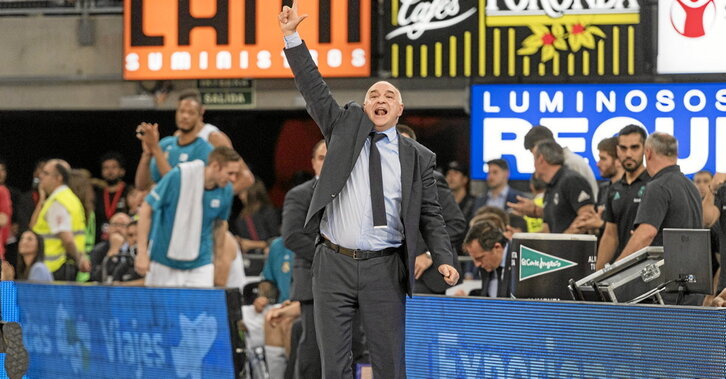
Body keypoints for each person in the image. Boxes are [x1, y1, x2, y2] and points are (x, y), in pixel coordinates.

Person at [279, 3, 459, 377]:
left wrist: (444, 256)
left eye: (388, 96)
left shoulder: (418, 157)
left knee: (390, 363)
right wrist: (292, 38)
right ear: (364, 107)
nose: (380, 99)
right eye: (373, 95)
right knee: (335, 365)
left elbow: (431, 215)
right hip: (333, 263)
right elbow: (313, 88)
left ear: (400, 110)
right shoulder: (343, 129)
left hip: (384, 266)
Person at [135, 147, 241, 287]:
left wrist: (219, 261)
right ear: (215, 166)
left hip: (200, 263)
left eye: (236, 174)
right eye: (230, 173)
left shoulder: (226, 190)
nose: (233, 179)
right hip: (163, 261)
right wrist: (142, 252)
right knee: (160, 309)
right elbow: (147, 208)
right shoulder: (179, 176)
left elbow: (220, 224)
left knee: (201, 308)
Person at [281, 139, 326, 379]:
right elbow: (291, 236)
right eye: (321, 158)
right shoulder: (299, 195)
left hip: (351, 281)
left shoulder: (355, 192)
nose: (327, 163)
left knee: (353, 346)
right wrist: (328, 260)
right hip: (313, 279)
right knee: (312, 347)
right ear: (312, 163)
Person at [618, 132, 702, 258]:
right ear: (676, 155)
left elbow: (646, 234)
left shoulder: (658, 186)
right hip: (692, 271)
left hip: (666, 273)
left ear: (649, 153)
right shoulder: (692, 187)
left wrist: (615, 271)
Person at [595, 125, 650, 269]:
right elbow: (610, 235)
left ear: (645, 149)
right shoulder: (614, 188)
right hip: (620, 270)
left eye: (634, 147)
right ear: (618, 150)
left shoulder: (654, 184)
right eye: (623, 148)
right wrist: (596, 275)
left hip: (649, 269)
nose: (629, 154)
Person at [30, 159, 90, 281]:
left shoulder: (59, 202)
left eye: (45, 173)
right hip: (55, 267)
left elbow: (67, 239)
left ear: (58, 178)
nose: (40, 176)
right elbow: (33, 227)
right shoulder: (65, 198)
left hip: (54, 268)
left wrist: (80, 260)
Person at [531, 140, 596, 233]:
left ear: (541, 159)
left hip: (575, 246)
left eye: (534, 159)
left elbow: (587, 217)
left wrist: (563, 239)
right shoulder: (550, 187)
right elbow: (547, 229)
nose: (533, 165)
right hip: (557, 246)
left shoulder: (572, 180)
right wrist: (521, 239)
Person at [523, 125, 599, 199]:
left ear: (543, 146)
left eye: (532, 152)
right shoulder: (560, 164)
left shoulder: (572, 163)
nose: (536, 158)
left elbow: (579, 200)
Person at [463, 220, 514, 297]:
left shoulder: (521, 262)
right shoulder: (488, 264)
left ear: (497, 247)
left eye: (480, 258)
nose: (477, 264)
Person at [231, 178, 281, 255]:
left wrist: (252, 244)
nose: (240, 197)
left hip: (267, 255)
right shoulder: (241, 217)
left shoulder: (267, 212)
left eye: (243, 192)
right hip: (249, 257)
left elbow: (276, 239)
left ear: (252, 193)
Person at [94, 152, 130, 242]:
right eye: (106, 168)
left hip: (123, 240)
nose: (110, 171)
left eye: (114, 167)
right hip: (100, 241)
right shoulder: (96, 193)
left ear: (122, 171)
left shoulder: (129, 192)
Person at [89, 212, 132, 282]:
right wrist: (113, 251)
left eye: (123, 225)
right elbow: (96, 278)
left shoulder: (135, 250)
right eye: (115, 224)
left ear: (130, 229)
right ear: (108, 228)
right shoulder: (98, 250)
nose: (118, 228)